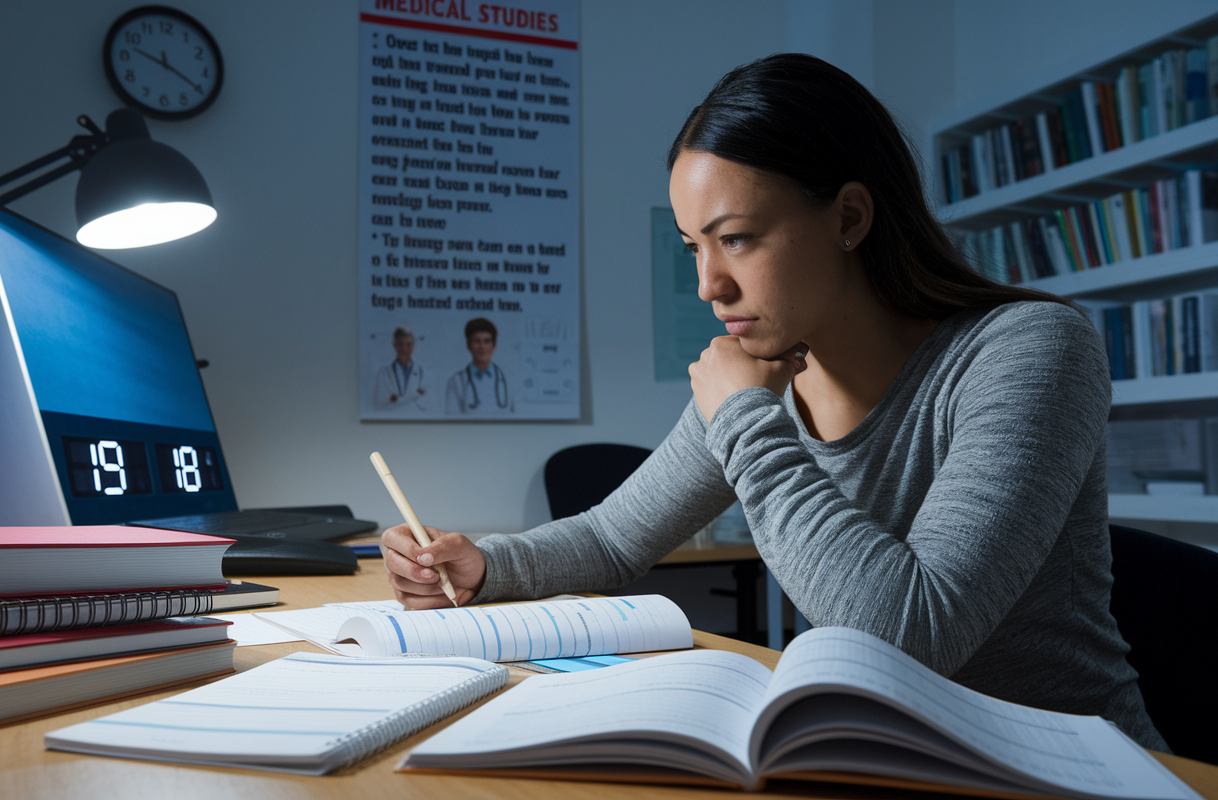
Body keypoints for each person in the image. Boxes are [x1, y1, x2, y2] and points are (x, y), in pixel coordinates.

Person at [381, 54, 1168, 750]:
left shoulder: (1030, 349)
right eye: (694, 247)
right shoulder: (761, 375)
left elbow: (909, 633)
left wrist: (744, 420)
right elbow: (614, 538)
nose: (707, 286)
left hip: (1069, 767)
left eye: (738, 239)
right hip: (895, 754)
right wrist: (485, 563)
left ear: (851, 218)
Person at [445, 317, 513, 416]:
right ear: (468, 345)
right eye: (477, 341)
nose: (482, 347)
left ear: (494, 345)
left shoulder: (509, 379)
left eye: (487, 341)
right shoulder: (456, 381)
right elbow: (451, 418)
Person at [373, 325, 427, 412]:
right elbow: (378, 404)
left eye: (408, 345)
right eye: (400, 344)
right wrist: (415, 395)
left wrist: (396, 400)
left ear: (413, 345)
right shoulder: (384, 372)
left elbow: (427, 404)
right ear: (395, 345)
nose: (404, 349)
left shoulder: (422, 372)